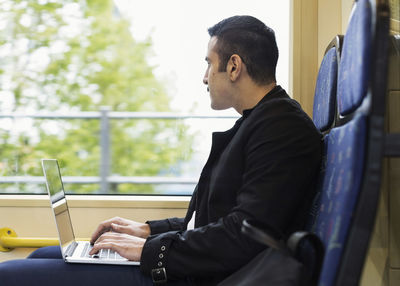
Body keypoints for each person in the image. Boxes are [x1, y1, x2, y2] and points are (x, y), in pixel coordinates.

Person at [0, 15, 322, 285]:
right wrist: (147, 230)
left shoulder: (282, 129)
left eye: (210, 64)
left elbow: (245, 234)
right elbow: (208, 220)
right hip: (199, 265)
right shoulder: (258, 122)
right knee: (41, 255)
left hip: (202, 276)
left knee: (9, 274)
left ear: (234, 66)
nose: (205, 77)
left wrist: (149, 250)